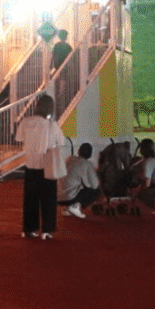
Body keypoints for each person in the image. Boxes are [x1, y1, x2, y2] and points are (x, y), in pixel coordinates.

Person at [19, 95, 68, 239]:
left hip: (30, 164)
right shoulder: (52, 125)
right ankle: (46, 231)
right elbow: (61, 141)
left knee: (30, 199)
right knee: (48, 199)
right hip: (47, 166)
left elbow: (20, 138)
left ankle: (28, 229)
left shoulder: (26, 122)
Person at [61, 142, 100, 218]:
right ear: (90, 154)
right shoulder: (87, 164)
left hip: (59, 195)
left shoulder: (70, 159)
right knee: (96, 191)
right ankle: (75, 206)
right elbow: (95, 185)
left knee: (73, 184)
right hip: (70, 196)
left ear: (78, 151)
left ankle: (67, 208)